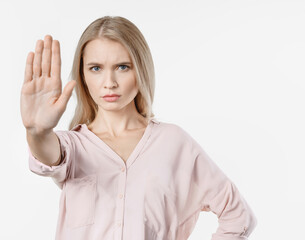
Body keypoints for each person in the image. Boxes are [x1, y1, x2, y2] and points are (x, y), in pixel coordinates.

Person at [20, 16, 257, 240]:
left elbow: (237, 215)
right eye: (96, 68)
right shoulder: (72, 146)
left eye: (122, 67)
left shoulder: (173, 142)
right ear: (83, 75)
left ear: (140, 69)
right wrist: (36, 132)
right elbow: (48, 154)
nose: (109, 82)